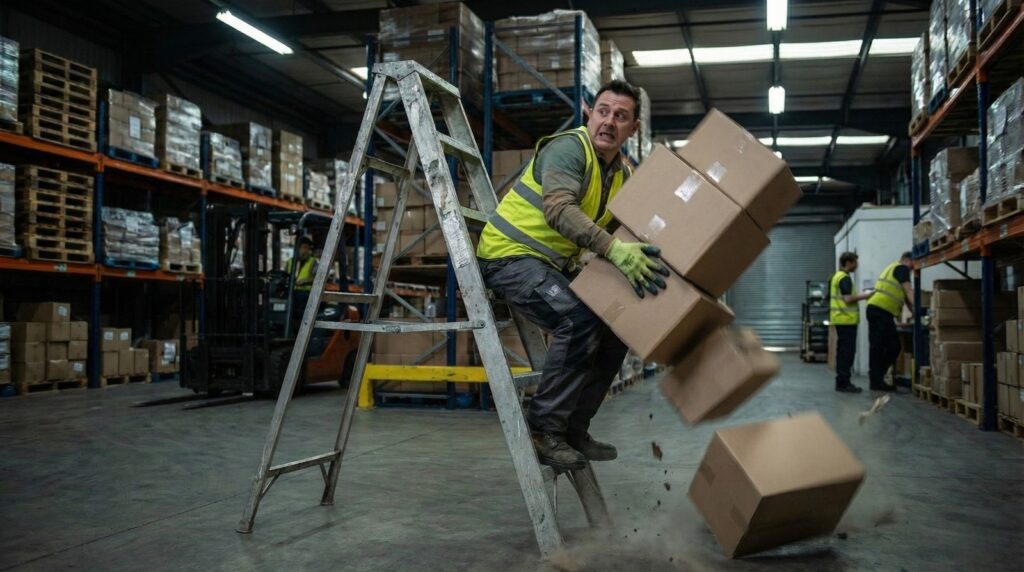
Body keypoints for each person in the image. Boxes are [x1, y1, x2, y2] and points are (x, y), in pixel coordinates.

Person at [476, 80, 669, 471]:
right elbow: (559, 210)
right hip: (508, 256)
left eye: (621, 116)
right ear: (589, 112)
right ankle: (543, 430)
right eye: (603, 111)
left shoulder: (621, 177)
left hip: (547, 266)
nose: (609, 122)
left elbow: (627, 232)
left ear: (633, 129)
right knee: (575, 318)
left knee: (616, 327)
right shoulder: (569, 149)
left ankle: (574, 429)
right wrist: (613, 250)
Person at [865, 251, 914, 392]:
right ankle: (876, 380)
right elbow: (909, 292)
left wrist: (915, 313)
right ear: (906, 260)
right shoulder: (901, 268)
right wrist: (919, 308)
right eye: (913, 263)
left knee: (882, 346)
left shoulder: (893, 268)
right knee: (888, 346)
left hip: (879, 311)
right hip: (880, 311)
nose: (913, 268)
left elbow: (906, 298)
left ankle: (877, 379)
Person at [829, 252, 872, 393]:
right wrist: (866, 295)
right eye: (855, 262)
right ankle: (844, 383)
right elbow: (848, 299)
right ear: (848, 262)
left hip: (841, 319)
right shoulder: (844, 278)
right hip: (846, 320)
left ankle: (841, 381)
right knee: (847, 352)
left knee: (843, 351)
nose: (857, 265)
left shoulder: (837, 276)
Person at [286, 236, 318, 328]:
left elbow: (318, 278)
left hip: (305, 292)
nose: (306, 251)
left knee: (299, 302)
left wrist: (306, 280)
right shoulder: (290, 262)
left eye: (308, 248)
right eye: (304, 248)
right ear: (297, 248)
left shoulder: (313, 262)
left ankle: (298, 327)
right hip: (291, 291)